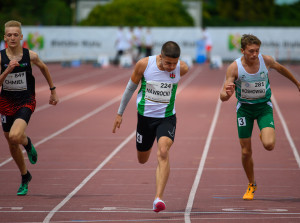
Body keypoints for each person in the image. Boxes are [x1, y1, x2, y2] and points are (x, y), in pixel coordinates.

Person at [220, 34, 300, 200]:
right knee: (245, 151)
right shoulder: (234, 68)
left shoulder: (266, 61)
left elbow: (282, 69)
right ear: (242, 50)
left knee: (269, 145)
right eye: (251, 51)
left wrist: (297, 83)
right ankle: (251, 184)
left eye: (257, 50)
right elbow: (222, 95)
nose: (255, 54)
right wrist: (227, 94)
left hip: (264, 108)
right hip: (245, 111)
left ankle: (264, 132)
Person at [112, 41, 189, 212]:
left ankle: (158, 198)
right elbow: (130, 89)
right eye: (168, 63)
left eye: (174, 63)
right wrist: (119, 113)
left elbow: (178, 69)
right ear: (160, 57)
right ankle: (157, 195)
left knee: (163, 151)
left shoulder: (182, 68)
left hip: (167, 118)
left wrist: (175, 67)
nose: (171, 67)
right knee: (142, 159)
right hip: (145, 119)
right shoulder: (144, 65)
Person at [0, 20, 59, 196]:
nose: (12, 37)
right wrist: (7, 70)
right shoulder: (1, 57)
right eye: (9, 35)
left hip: (26, 100)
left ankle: (28, 143)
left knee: (16, 135)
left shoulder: (30, 56)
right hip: (5, 102)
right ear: (4, 37)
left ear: (21, 37)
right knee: (11, 144)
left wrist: (53, 91)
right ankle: (25, 176)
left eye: (15, 35)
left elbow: (44, 67)